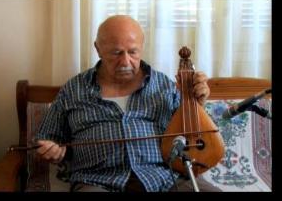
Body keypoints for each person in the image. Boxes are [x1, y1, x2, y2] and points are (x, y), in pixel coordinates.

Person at [35, 15, 221, 192]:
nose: (125, 61)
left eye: (132, 52)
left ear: (142, 47)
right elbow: (46, 138)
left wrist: (196, 105)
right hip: (97, 181)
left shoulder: (164, 85)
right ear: (98, 49)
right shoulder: (74, 89)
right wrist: (51, 149)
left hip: (165, 179)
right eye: (116, 53)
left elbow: (192, 139)